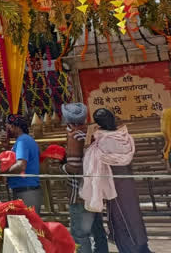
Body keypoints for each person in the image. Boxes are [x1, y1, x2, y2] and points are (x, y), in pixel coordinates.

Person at [81, 108, 153, 253]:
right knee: (134, 215)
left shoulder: (103, 142)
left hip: (115, 187)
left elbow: (88, 156)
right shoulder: (125, 137)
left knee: (121, 218)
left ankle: (130, 249)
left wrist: (89, 137)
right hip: (128, 183)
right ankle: (142, 246)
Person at [60, 103, 108, 253]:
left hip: (80, 191)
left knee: (80, 233)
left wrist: (61, 166)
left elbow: (74, 167)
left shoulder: (75, 136)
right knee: (97, 228)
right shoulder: (91, 133)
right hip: (94, 187)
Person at [1, 114, 42, 214]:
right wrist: (7, 147)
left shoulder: (22, 141)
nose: (7, 131)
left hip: (26, 191)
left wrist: (5, 173)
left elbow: (21, 165)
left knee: (28, 226)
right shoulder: (26, 140)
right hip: (27, 189)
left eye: (9, 127)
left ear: (14, 127)